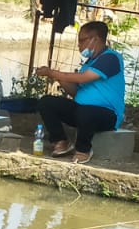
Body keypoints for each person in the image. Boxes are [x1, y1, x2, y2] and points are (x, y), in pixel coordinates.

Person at [35, 20, 126, 164]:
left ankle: (83, 150)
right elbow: (76, 92)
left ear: (94, 39)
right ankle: (61, 142)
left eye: (82, 40)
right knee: (47, 102)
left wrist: (54, 72)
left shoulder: (110, 58)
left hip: (107, 115)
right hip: (82, 111)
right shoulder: (90, 61)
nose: (79, 45)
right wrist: (53, 76)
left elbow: (83, 78)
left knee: (87, 111)